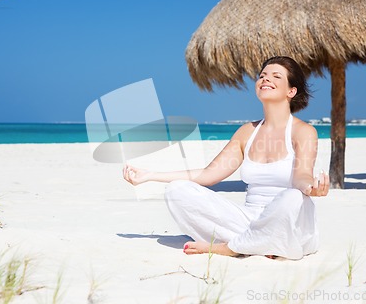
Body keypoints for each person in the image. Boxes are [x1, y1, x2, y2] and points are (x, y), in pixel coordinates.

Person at [123, 56, 329, 260]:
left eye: (276, 76)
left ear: (291, 91)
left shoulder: (303, 131)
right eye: (262, 75)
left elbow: (302, 175)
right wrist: (150, 175)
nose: (266, 79)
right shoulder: (246, 132)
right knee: (177, 190)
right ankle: (256, 243)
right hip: (247, 221)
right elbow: (208, 175)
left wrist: (310, 188)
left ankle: (231, 247)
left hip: (290, 222)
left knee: (292, 197)